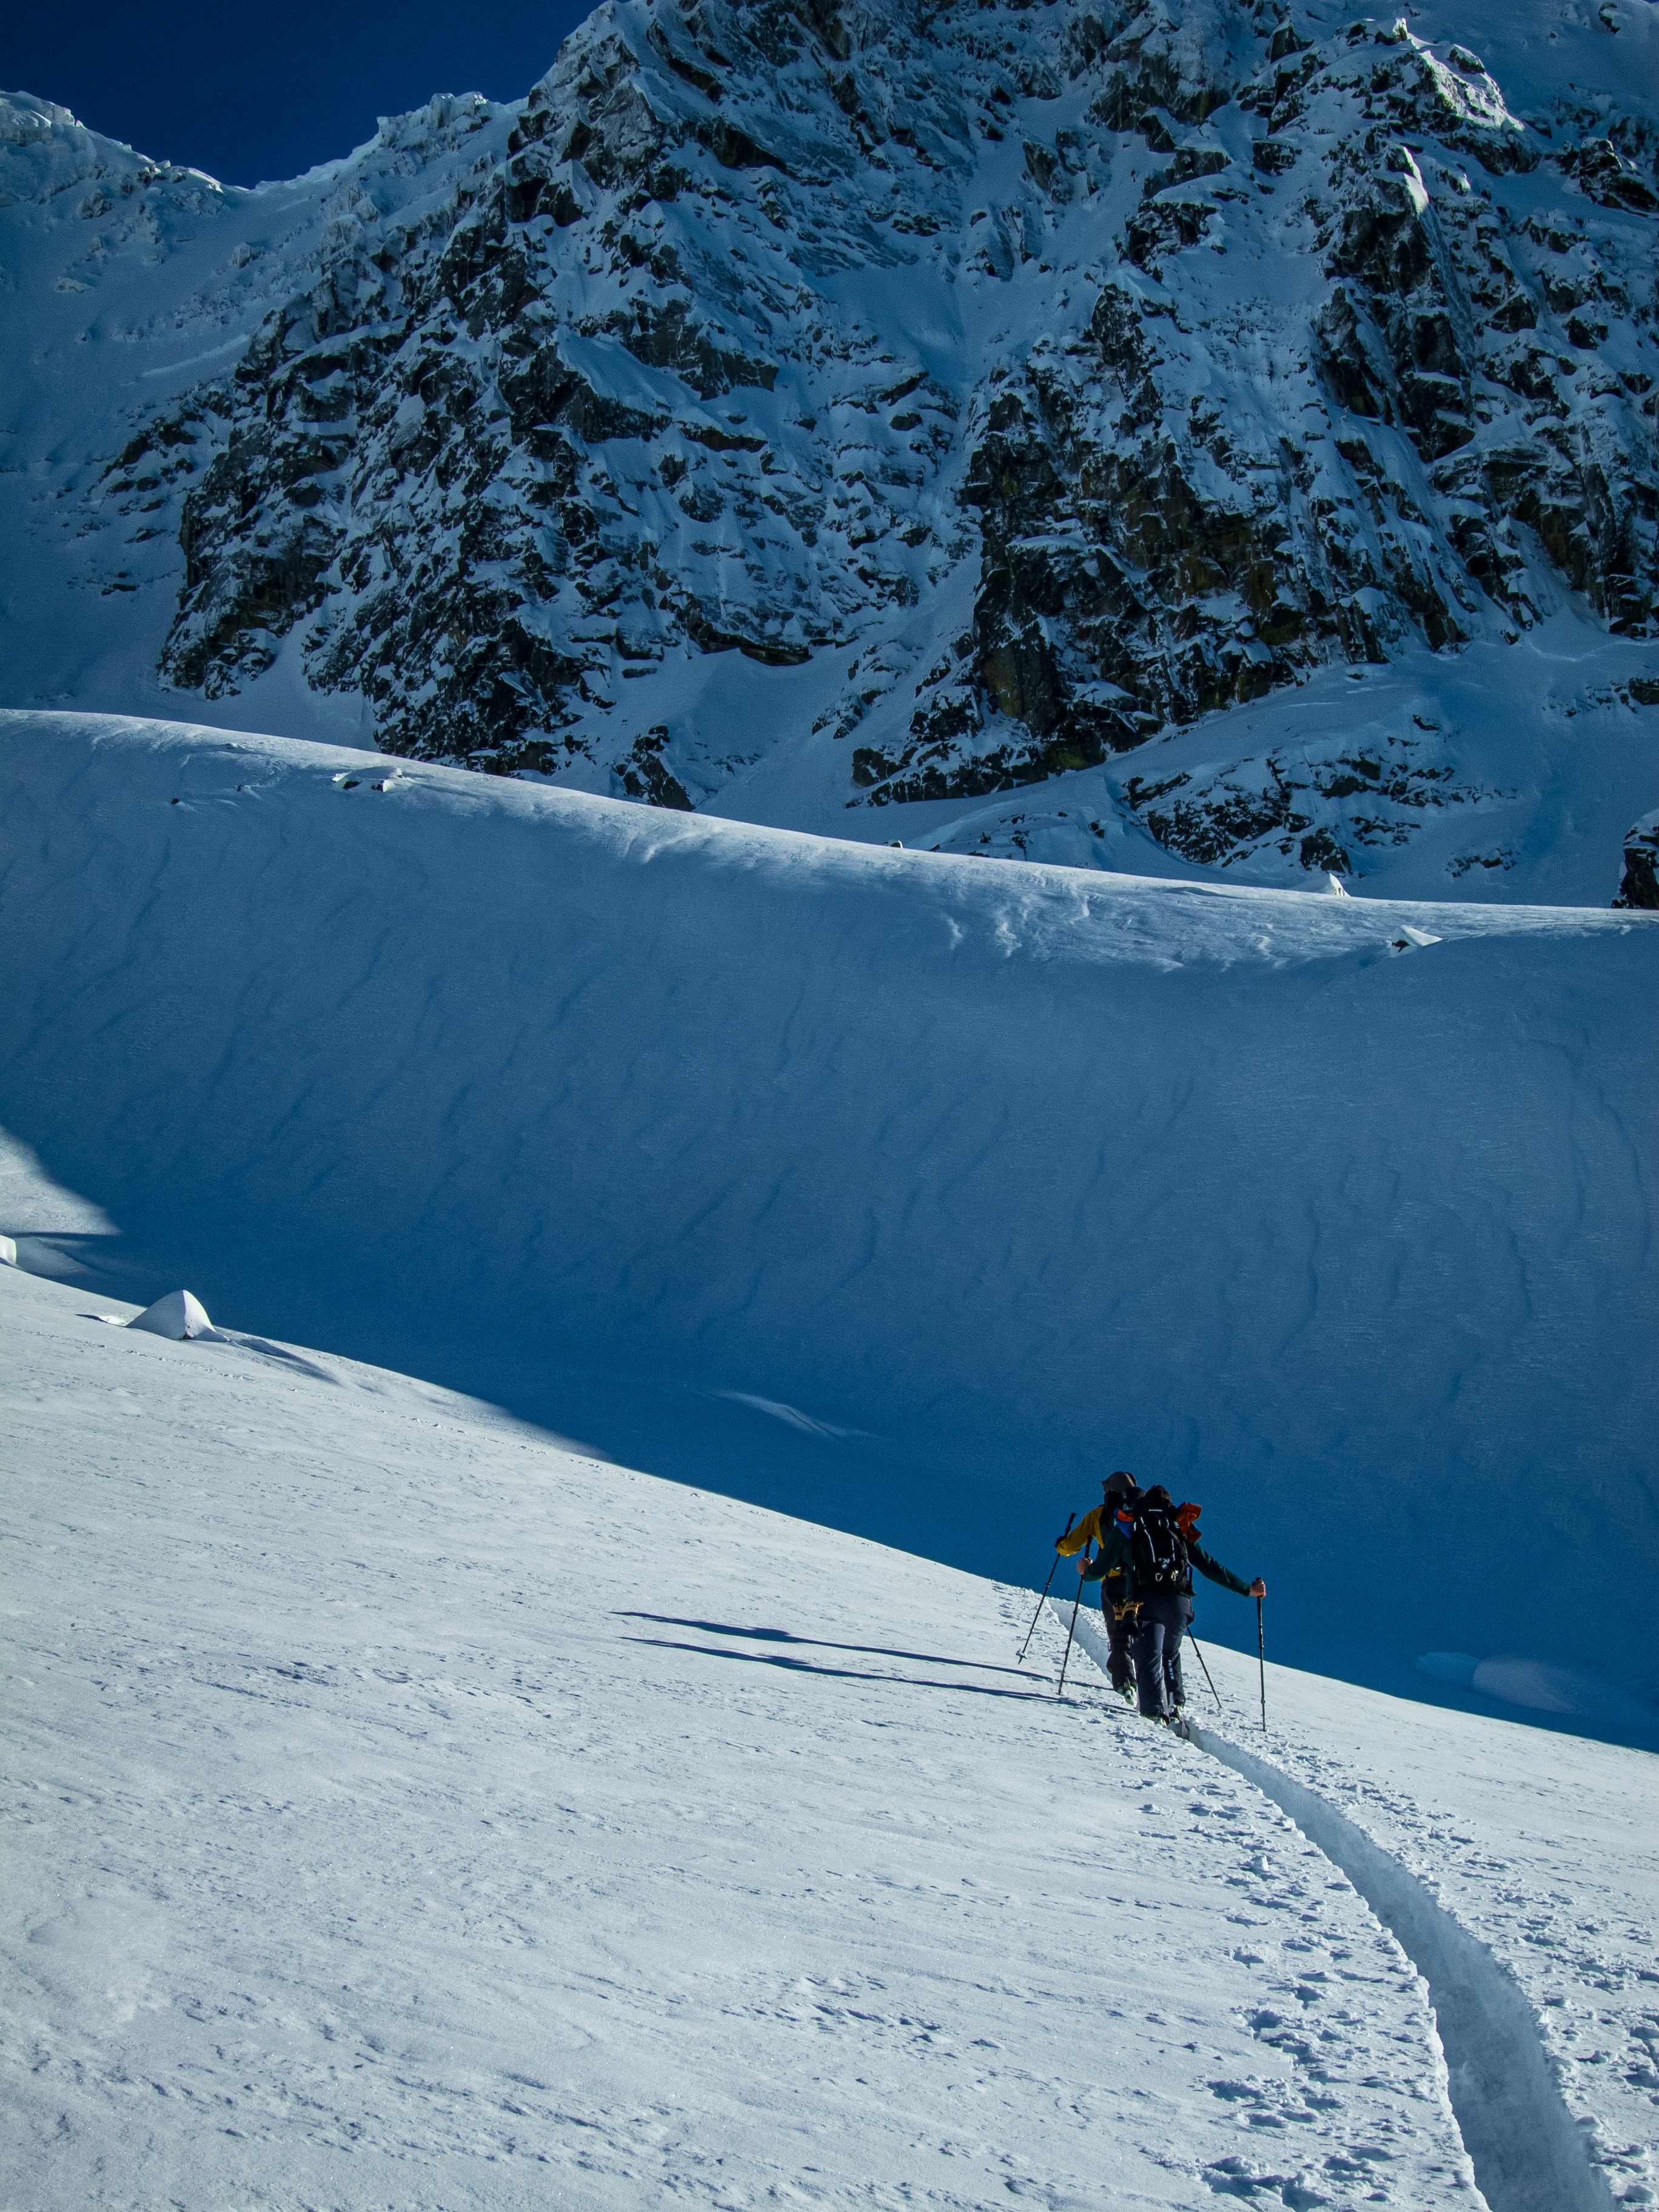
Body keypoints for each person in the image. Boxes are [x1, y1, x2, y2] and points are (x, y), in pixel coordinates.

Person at [1083, 1483, 1265, 1724]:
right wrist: (1247, 1589)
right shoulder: (1179, 1523)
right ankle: (1176, 1702)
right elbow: (1210, 1567)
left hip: (1144, 1603)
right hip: (1179, 1604)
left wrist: (1086, 1571)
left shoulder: (1130, 1523)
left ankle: (1154, 1716)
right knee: (1170, 1652)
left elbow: (1102, 1568)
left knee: (1147, 1657)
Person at [1055, 1472, 1139, 1694]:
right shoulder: (1145, 1514)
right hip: (1145, 1584)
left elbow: (1071, 1545)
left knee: (1119, 1633)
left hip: (1113, 1582)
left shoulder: (1099, 1515)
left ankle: (1125, 1682)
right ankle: (1159, 1694)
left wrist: (1061, 1546)